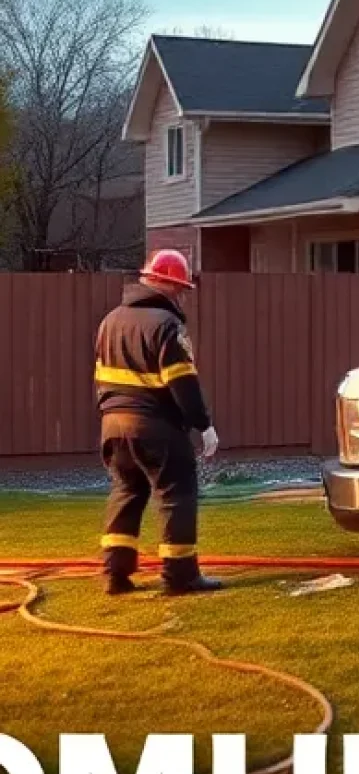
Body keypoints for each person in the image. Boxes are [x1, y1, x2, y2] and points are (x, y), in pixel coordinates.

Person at [95, 248, 223, 596]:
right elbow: (182, 382)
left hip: (112, 424)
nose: (182, 294)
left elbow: (102, 379)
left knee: (126, 491)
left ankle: (115, 575)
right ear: (166, 283)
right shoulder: (166, 325)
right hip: (156, 425)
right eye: (180, 287)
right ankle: (180, 576)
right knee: (176, 493)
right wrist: (203, 424)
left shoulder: (110, 321)